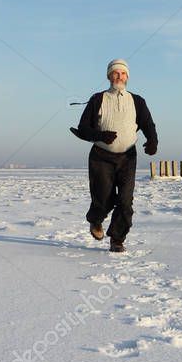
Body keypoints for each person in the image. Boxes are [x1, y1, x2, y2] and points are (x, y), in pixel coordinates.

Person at [69, 59, 157, 252]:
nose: (120, 76)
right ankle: (96, 220)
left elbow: (148, 124)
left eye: (123, 73)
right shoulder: (98, 99)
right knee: (104, 198)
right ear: (109, 76)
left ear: (127, 77)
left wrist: (152, 141)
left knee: (125, 201)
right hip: (101, 156)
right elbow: (83, 128)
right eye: (116, 73)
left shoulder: (137, 101)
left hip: (128, 157)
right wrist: (100, 135)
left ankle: (117, 239)